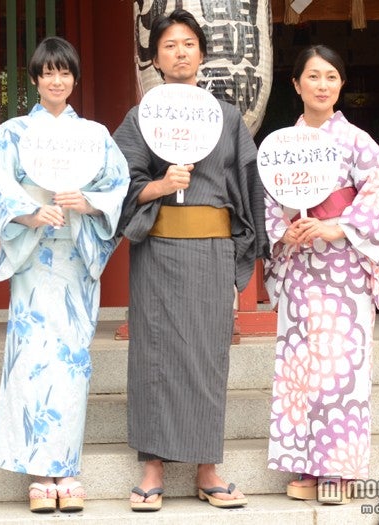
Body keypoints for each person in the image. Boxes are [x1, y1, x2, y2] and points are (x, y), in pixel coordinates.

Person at [113, 8, 268, 512]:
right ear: (155, 59)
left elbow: (248, 188)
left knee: (207, 354)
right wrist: (160, 185)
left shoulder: (226, 118)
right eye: (169, 46)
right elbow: (117, 183)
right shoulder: (141, 118)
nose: (179, 53)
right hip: (158, 247)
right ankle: (152, 467)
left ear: (202, 53)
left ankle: (207, 467)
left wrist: (245, 248)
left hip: (211, 249)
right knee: (154, 354)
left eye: (188, 44)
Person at [0, 36, 129, 513]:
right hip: (33, 256)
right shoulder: (11, 133)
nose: (57, 80)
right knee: (32, 359)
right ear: (34, 79)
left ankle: (65, 466)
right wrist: (30, 214)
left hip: (75, 258)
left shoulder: (94, 135)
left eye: (64, 72)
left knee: (71, 362)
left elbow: (116, 185)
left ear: (74, 79)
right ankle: (38, 472)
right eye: (48, 72)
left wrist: (85, 202)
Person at [264, 44, 379, 504]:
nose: (322, 85)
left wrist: (337, 226)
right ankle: (305, 464)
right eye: (313, 76)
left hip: (344, 269)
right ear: (296, 84)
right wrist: (283, 230)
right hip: (300, 265)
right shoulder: (282, 144)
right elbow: (268, 203)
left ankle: (339, 468)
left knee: (341, 366)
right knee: (300, 366)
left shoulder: (358, 142)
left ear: (341, 84)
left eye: (331, 77)